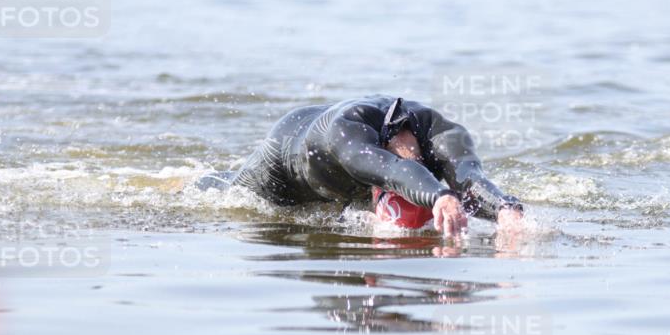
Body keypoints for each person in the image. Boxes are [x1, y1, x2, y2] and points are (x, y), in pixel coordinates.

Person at [198, 95, 523, 237]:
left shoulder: (442, 131)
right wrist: (440, 196)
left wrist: (504, 209)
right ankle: (194, 182)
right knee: (228, 194)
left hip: (347, 181)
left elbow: (469, 177)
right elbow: (395, 171)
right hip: (286, 160)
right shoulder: (346, 136)